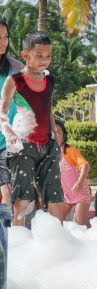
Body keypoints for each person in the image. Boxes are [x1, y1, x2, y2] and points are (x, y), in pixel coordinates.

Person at [0, 31, 65, 226]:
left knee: (56, 198)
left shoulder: (49, 79)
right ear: (25, 55)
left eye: (48, 56)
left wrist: (55, 133)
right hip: (24, 147)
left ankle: (57, 244)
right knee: (22, 199)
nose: (45, 60)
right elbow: (2, 113)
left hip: (48, 146)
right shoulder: (15, 80)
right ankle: (18, 243)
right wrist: (9, 132)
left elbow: (48, 108)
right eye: (39, 55)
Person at [0, 19, 23, 206]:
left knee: (10, 193)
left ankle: (8, 233)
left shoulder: (15, 67)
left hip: (10, 142)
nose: (3, 42)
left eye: (6, 37)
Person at [55, 119, 92, 227]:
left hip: (81, 194)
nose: (55, 135)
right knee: (56, 223)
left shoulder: (70, 151)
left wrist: (79, 183)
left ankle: (94, 239)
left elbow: (85, 165)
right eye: (53, 132)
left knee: (80, 227)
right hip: (67, 196)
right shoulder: (52, 154)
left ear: (64, 135)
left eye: (58, 132)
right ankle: (96, 236)